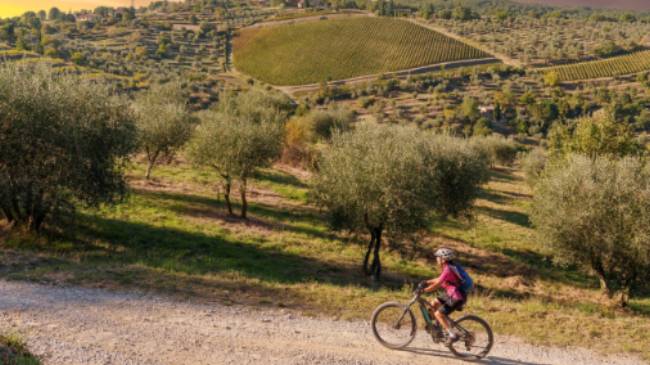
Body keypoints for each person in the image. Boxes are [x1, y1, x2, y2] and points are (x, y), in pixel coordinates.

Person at [421, 247, 467, 344]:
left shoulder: (448, 269)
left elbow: (438, 284)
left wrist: (425, 290)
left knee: (439, 314)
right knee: (433, 304)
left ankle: (452, 335)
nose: (436, 259)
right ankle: (436, 329)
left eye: (438, 257)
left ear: (443, 259)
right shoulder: (448, 267)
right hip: (450, 294)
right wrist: (426, 282)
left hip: (456, 297)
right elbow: (439, 279)